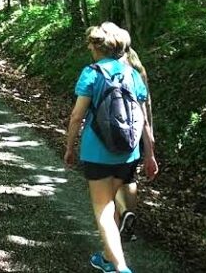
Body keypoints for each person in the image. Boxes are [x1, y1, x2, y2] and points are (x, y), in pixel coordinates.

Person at [63, 23, 157, 273]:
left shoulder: (92, 73)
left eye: (91, 44)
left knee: (103, 209)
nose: (89, 48)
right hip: (128, 153)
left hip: (97, 152)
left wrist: (70, 146)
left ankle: (121, 267)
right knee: (112, 205)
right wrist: (150, 154)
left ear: (98, 47)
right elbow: (143, 119)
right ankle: (107, 257)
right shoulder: (132, 74)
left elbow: (76, 116)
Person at [114, 32, 158, 243]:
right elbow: (147, 105)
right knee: (130, 177)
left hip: (116, 130)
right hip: (139, 129)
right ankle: (129, 224)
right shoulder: (140, 72)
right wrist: (150, 135)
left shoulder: (115, 70)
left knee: (110, 177)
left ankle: (123, 214)